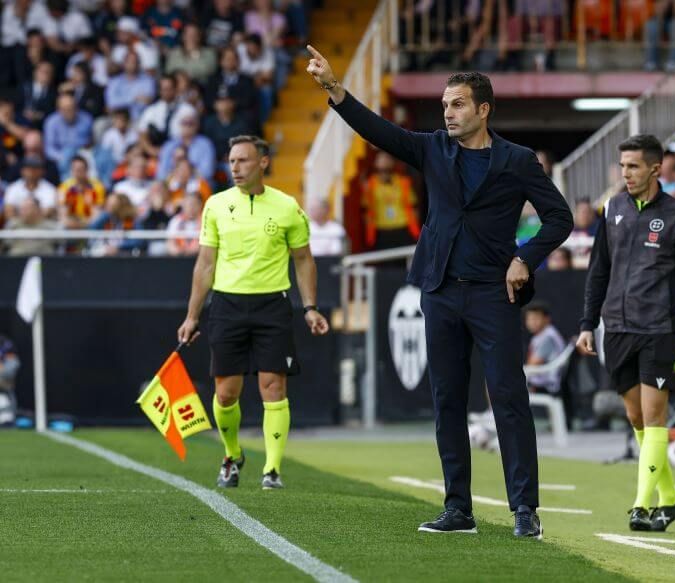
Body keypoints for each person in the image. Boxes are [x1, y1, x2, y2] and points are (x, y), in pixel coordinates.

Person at [306, 45, 573, 538]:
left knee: (508, 398)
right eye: (446, 104)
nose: (447, 112)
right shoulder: (432, 147)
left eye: (457, 104)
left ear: (483, 109)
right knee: (447, 399)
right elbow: (378, 131)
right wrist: (334, 89)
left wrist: (524, 258)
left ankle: (524, 511)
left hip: (495, 295)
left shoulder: (517, 160)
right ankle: (458, 510)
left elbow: (561, 218)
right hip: (440, 290)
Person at [176, 135, 329, 491]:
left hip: (272, 305)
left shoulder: (288, 207)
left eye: (243, 160)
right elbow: (205, 264)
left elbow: (304, 259)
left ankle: (272, 470)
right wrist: (192, 315)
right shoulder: (215, 205)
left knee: (273, 387)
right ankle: (232, 456)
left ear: (263, 163)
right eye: (231, 161)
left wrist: (309, 308)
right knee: (226, 393)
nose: (235, 168)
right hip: (227, 306)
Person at [575, 134, 675, 533]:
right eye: (623, 166)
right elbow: (599, 270)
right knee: (635, 416)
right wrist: (586, 323)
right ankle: (670, 499)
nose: (625, 173)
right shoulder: (611, 209)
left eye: (632, 166)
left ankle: (641, 505)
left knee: (654, 415)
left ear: (655, 168)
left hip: (660, 329)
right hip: (615, 327)